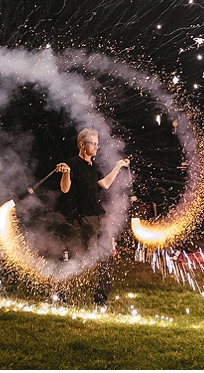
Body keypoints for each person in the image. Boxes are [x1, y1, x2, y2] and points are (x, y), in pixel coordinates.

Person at [54, 127, 129, 304]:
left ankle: (101, 299)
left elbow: (105, 184)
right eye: (93, 144)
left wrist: (118, 166)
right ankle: (60, 293)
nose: (96, 147)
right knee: (73, 257)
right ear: (82, 144)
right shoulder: (71, 164)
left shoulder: (93, 166)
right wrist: (66, 173)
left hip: (98, 217)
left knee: (106, 256)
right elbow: (65, 189)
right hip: (80, 219)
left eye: (97, 144)